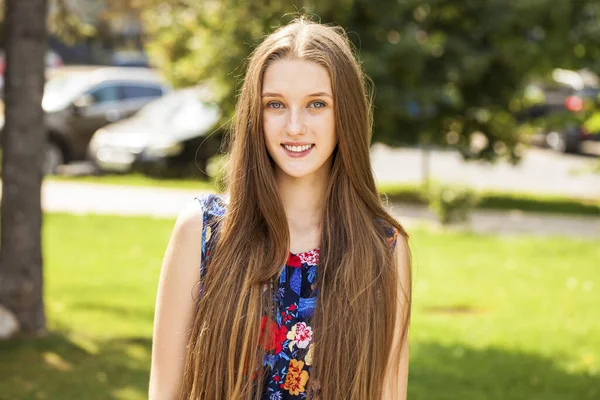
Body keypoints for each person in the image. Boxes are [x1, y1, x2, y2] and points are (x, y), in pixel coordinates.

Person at [149, 17, 411, 400]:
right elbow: (164, 393)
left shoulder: (383, 247)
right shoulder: (203, 231)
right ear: (256, 113)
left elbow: (387, 393)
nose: (294, 126)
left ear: (346, 115)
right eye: (276, 105)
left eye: (316, 105)